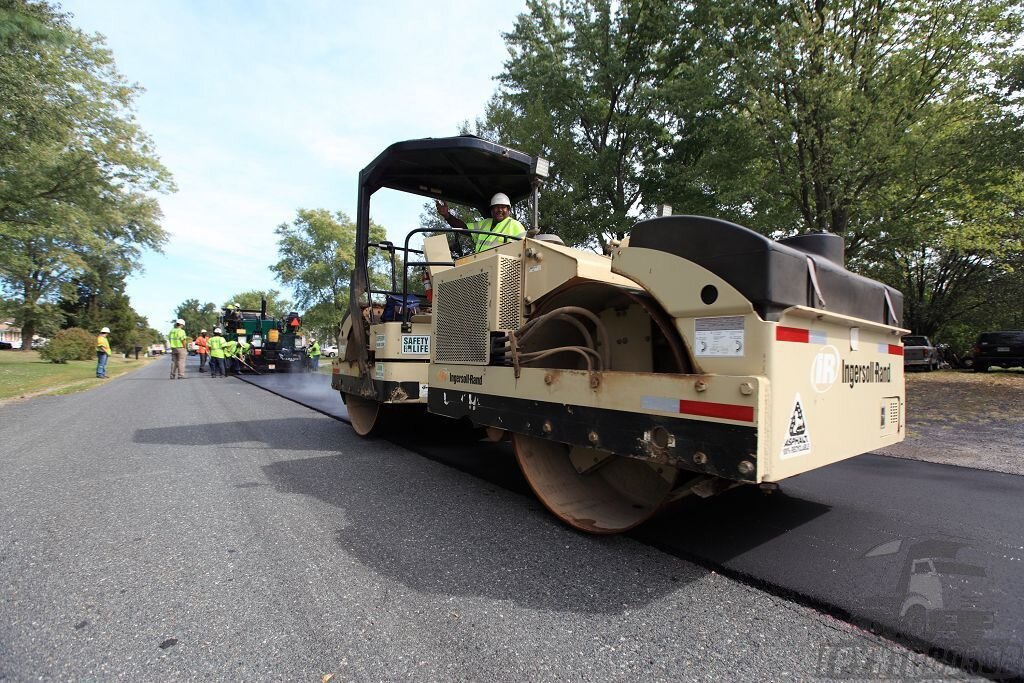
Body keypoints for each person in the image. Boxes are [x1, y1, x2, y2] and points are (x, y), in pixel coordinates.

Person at [435, 192, 526, 253]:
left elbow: (522, 250)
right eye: (496, 207)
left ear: (508, 210)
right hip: (481, 267)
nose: (499, 210)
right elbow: (464, 228)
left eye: (503, 207)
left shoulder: (515, 225)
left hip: (502, 269)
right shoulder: (485, 223)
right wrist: (447, 215)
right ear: (491, 210)